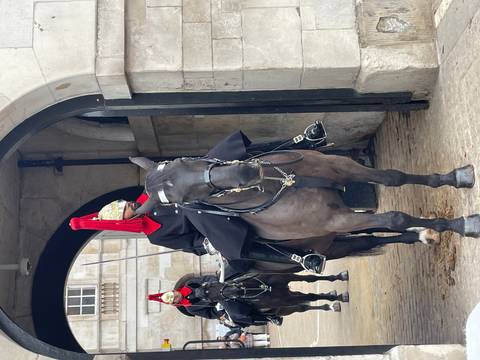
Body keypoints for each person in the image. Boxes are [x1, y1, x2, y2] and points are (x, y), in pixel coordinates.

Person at [69, 131, 326, 273]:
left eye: (127, 203)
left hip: (201, 186)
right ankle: (300, 256)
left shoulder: (147, 192)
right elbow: (190, 244)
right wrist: (205, 244)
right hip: (206, 218)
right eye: (127, 210)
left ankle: (298, 141)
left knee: (225, 154)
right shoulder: (156, 236)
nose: (131, 205)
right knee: (235, 248)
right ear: (125, 222)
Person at [147, 274, 282, 327]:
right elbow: (209, 314)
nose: (176, 297)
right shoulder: (190, 308)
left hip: (219, 285)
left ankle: (263, 270)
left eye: (173, 294)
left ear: (173, 291)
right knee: (238, 317)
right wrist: (219, 313)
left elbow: (206, 279)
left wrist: (215, 283)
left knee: (235, 267)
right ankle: (269, 317)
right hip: (221, 303)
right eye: (174, 299)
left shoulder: (190, 283)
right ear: (175, 303)